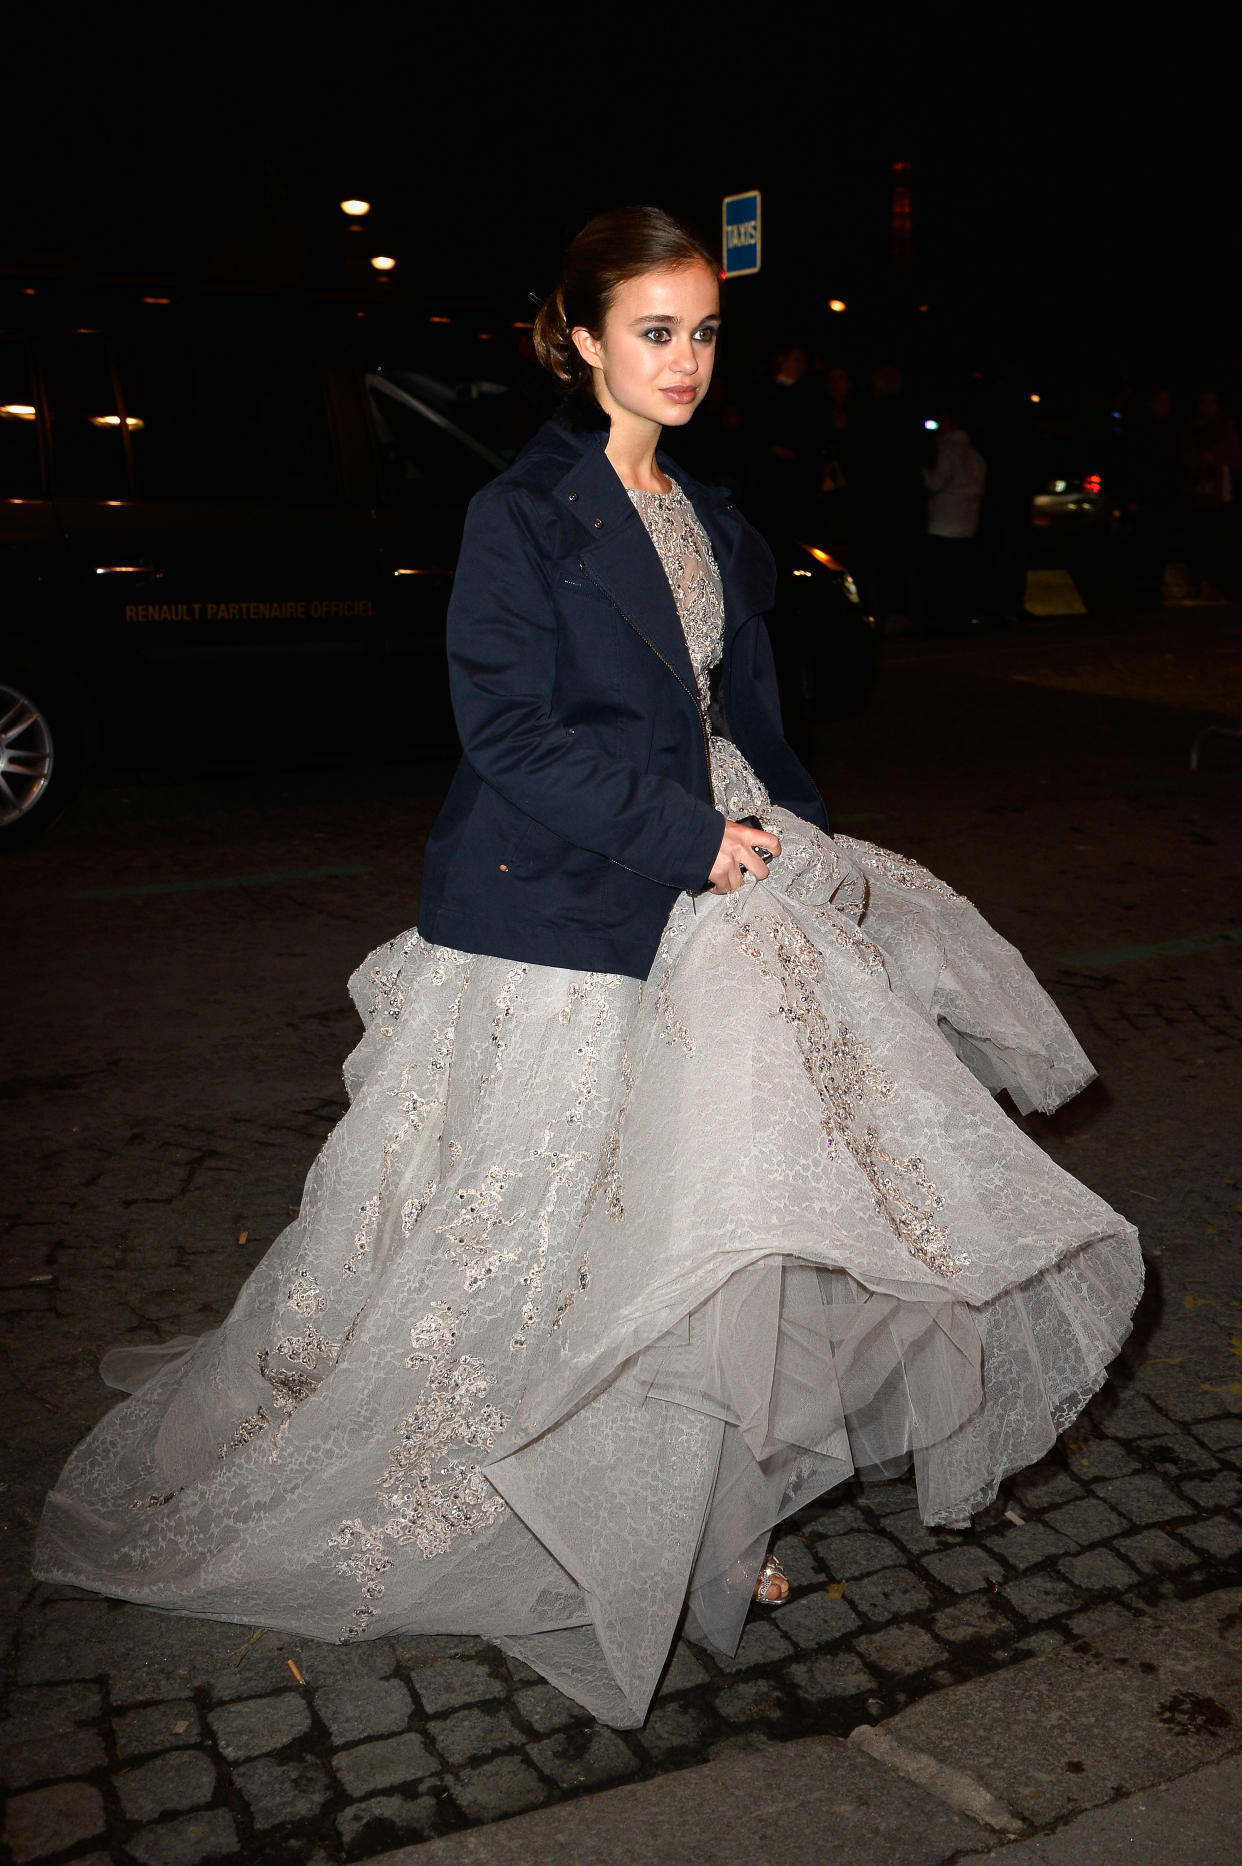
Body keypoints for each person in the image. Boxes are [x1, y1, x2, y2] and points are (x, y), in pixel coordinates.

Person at [35, 207, 1143, 1732]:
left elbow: (723, 697)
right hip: (568, 909)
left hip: (713, 887)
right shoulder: (523, 512)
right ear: (575, 337)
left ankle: (704, 1492)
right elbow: (510, 736)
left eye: (701, 332)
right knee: (573, 1229)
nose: (684, 361)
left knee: (731, 1214)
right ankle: (598, 1493)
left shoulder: (701, 506)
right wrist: (689, 839)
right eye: (652, 332)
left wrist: (777, 823)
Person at [922, 405, 988, 631]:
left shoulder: (947, 451)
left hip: (944, 523)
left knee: (942, 576)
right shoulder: (975, 454)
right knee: (961, 575)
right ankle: (962, 617)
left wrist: (922, 472)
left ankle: (944, 620)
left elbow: (935, 482)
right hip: (967, 523)